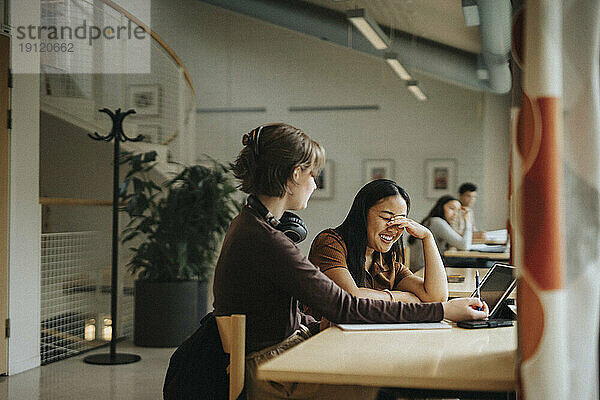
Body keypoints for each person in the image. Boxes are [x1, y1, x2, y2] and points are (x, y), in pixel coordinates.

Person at [213, 123, 488, 400]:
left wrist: (312, 321)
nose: (315, 184)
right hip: (275, 370)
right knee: (389, 384)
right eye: (313, 175)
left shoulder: (251, 224)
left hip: (283, 353)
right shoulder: (268, 240)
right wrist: (442, 312)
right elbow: (347, 306)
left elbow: (280, 310)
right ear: (296, 173)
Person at [308, 179, 448, 312]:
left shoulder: (387, 262)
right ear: (362, 214)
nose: (393, 228)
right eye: (386, 218)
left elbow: (436, 298)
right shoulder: (330, 243)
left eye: (400, 220)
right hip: (324, 335)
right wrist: (401, 297)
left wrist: (427, 237)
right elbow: (350, 297)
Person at [408, 195, 472, 272]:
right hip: (423, 269)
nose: (455, 213)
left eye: (458, 211)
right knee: (477, 263)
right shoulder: (437, 222)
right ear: (441, 207)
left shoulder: (433, 220)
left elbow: (458, 241)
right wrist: (468, 221)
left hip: (426, 266)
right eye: (452, 208)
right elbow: (464, 245)